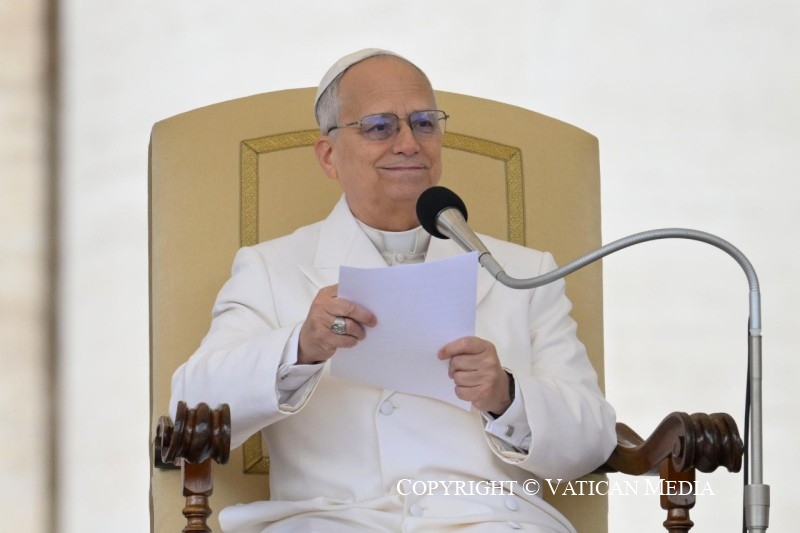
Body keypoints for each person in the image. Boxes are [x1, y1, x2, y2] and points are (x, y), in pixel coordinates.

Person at [170, 48, 617, 533]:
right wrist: (300, 346)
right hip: (331, 521)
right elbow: (188, 410)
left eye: (424, 123)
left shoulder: (523, 273)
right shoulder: (271, 268)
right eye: (379, 126)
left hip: (490, 522)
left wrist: (506, 395)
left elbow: (592, 440)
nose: (409, 143)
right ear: (329, 156)